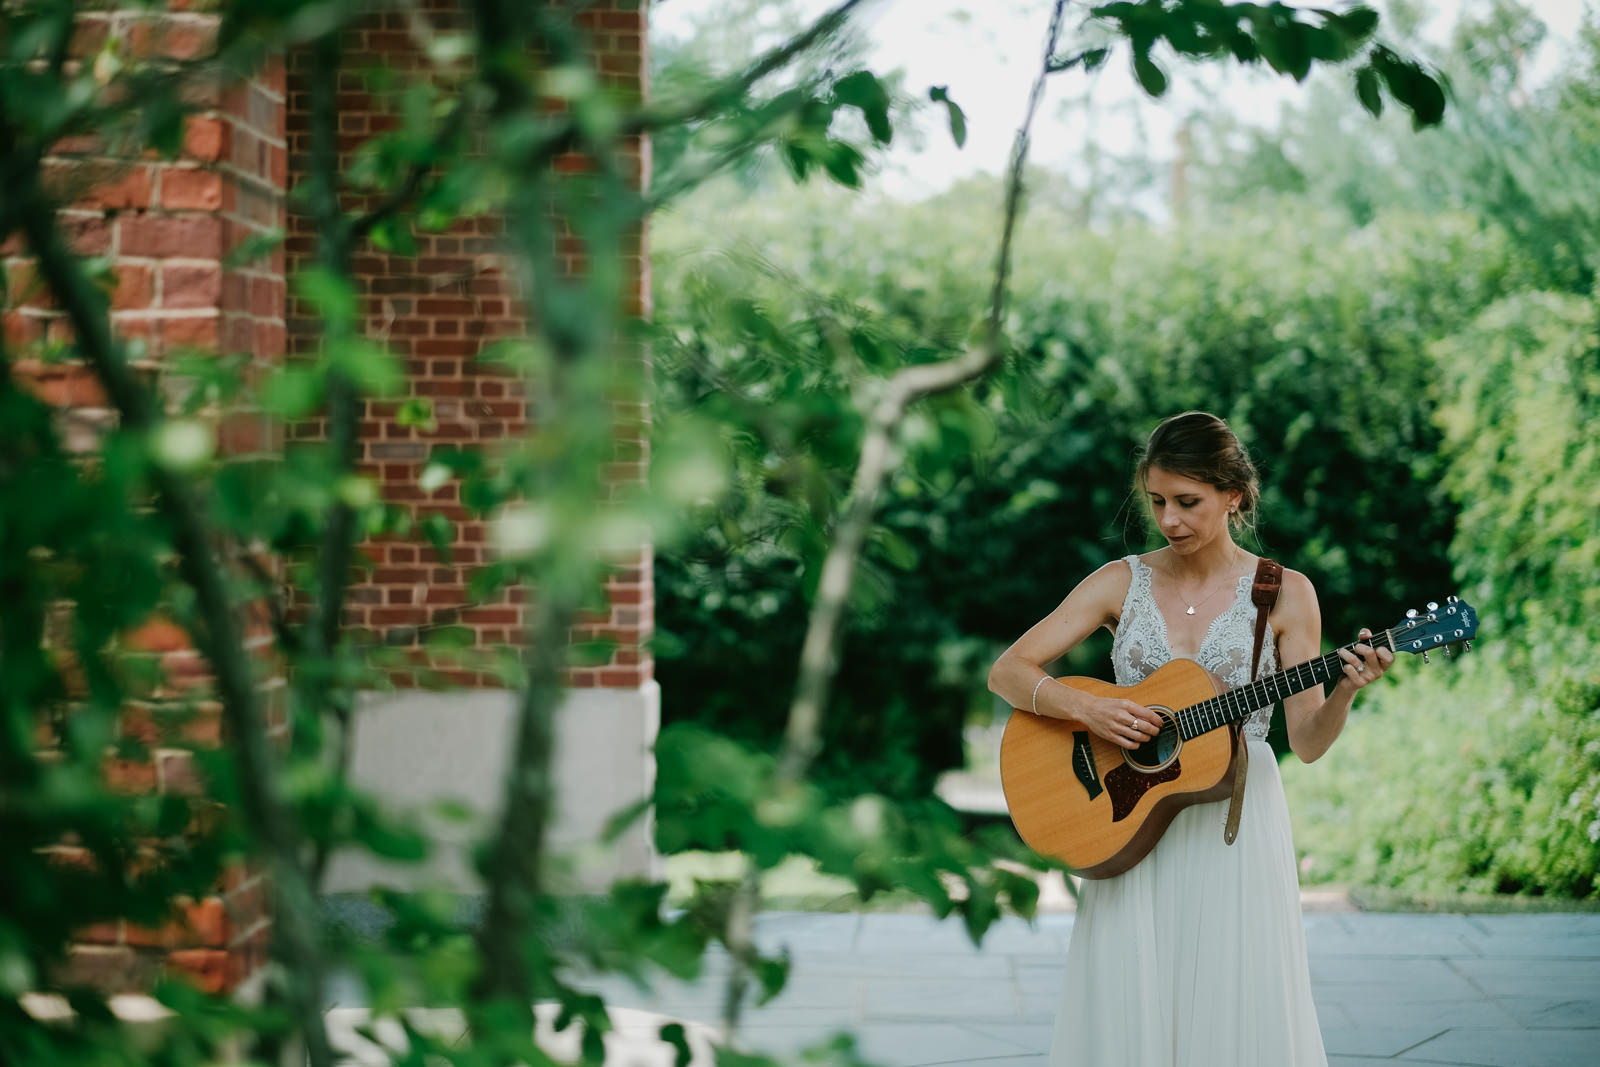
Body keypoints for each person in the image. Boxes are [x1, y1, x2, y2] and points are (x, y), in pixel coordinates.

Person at [986, 411, 1394, 1067]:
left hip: (1238, 820)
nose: (1170, 519)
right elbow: (1009, 669)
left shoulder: (1285, 594)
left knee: (1238, 993)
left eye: (1187, 501)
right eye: (1157, 502)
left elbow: (1309, 741)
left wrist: (1346, 686)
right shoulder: (1122, 581)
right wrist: (1088, 708)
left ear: (1234, 495)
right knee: (1130, 991)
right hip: (1125, 817)